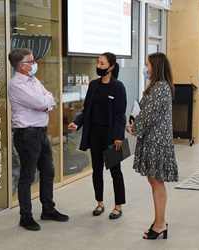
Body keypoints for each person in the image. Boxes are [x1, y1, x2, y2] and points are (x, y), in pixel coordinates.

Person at [8, 48, 69, 231]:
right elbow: (42, 103)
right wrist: (45, 102)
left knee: (48, 171)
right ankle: (25, 216)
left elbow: (50, 98)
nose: (35, 64)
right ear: (21, 65)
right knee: (28, 176)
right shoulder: (16, 84)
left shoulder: (33, 80)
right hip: (27, 134)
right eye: (31, 61)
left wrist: (45, 102)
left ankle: (48, 210)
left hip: (41, 133)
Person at [68, 52, 127, 219]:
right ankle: (99, 203)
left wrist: (118, 136)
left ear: (111, 67)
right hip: (94, 134)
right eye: (98, 63)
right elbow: (86, 110)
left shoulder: (118, 87)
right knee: (97, 171)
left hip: (111, 136)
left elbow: (120, 115)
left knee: (116, 171)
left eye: (102, 64)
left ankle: (118, 206)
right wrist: (77, 122)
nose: (98, 66)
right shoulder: (94, 85)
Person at [126, 52, 179, 240]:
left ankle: (160, 224)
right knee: (154, 180)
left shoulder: (161, 87)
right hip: (153, 139)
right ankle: (159, 222)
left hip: (157, 141)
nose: (145, 68)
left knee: (156, 181)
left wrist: (134, 128)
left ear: (155, 67)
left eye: (147, 65)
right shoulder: (158, 86)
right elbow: (147, 112)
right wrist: (136, 125)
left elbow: (150, 115)